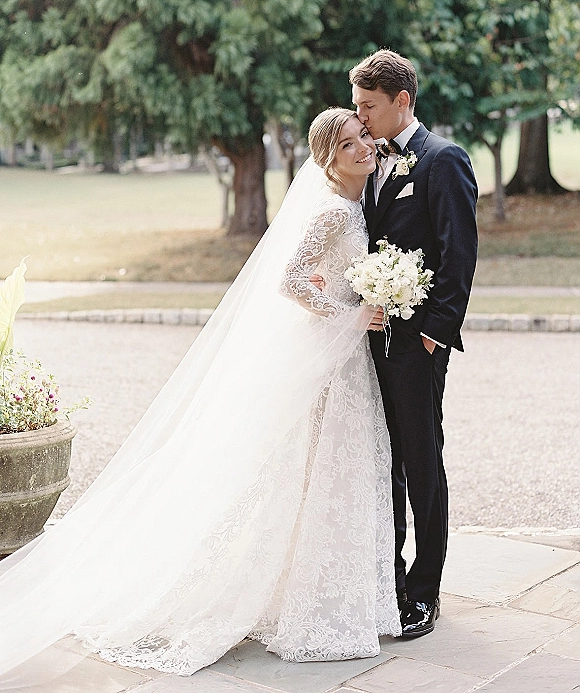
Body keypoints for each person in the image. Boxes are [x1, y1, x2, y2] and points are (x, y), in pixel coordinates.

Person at [0, 108, 400, 689]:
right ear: (328, 159)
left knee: (330, 478)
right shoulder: (333, 211)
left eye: (363, 134)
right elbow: (289, 279)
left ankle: (320, 598)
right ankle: (306, 609)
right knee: (315, 476)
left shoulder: (354, 202)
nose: (363, 144)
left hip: (340, 359)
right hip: (329, 360)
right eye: (348, 142)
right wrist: (350, 314)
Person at [349, 49, 478, 638]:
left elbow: (459, 257)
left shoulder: (443, 160)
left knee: (421, 460)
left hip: (416, 343)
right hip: (368, 340)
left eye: (369, 107)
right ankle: (388, 579)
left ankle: (424, 591)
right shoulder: (371, 162)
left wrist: (433, 335)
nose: (362, 118)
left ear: (402, 101)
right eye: (357, 106)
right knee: (383, 461)